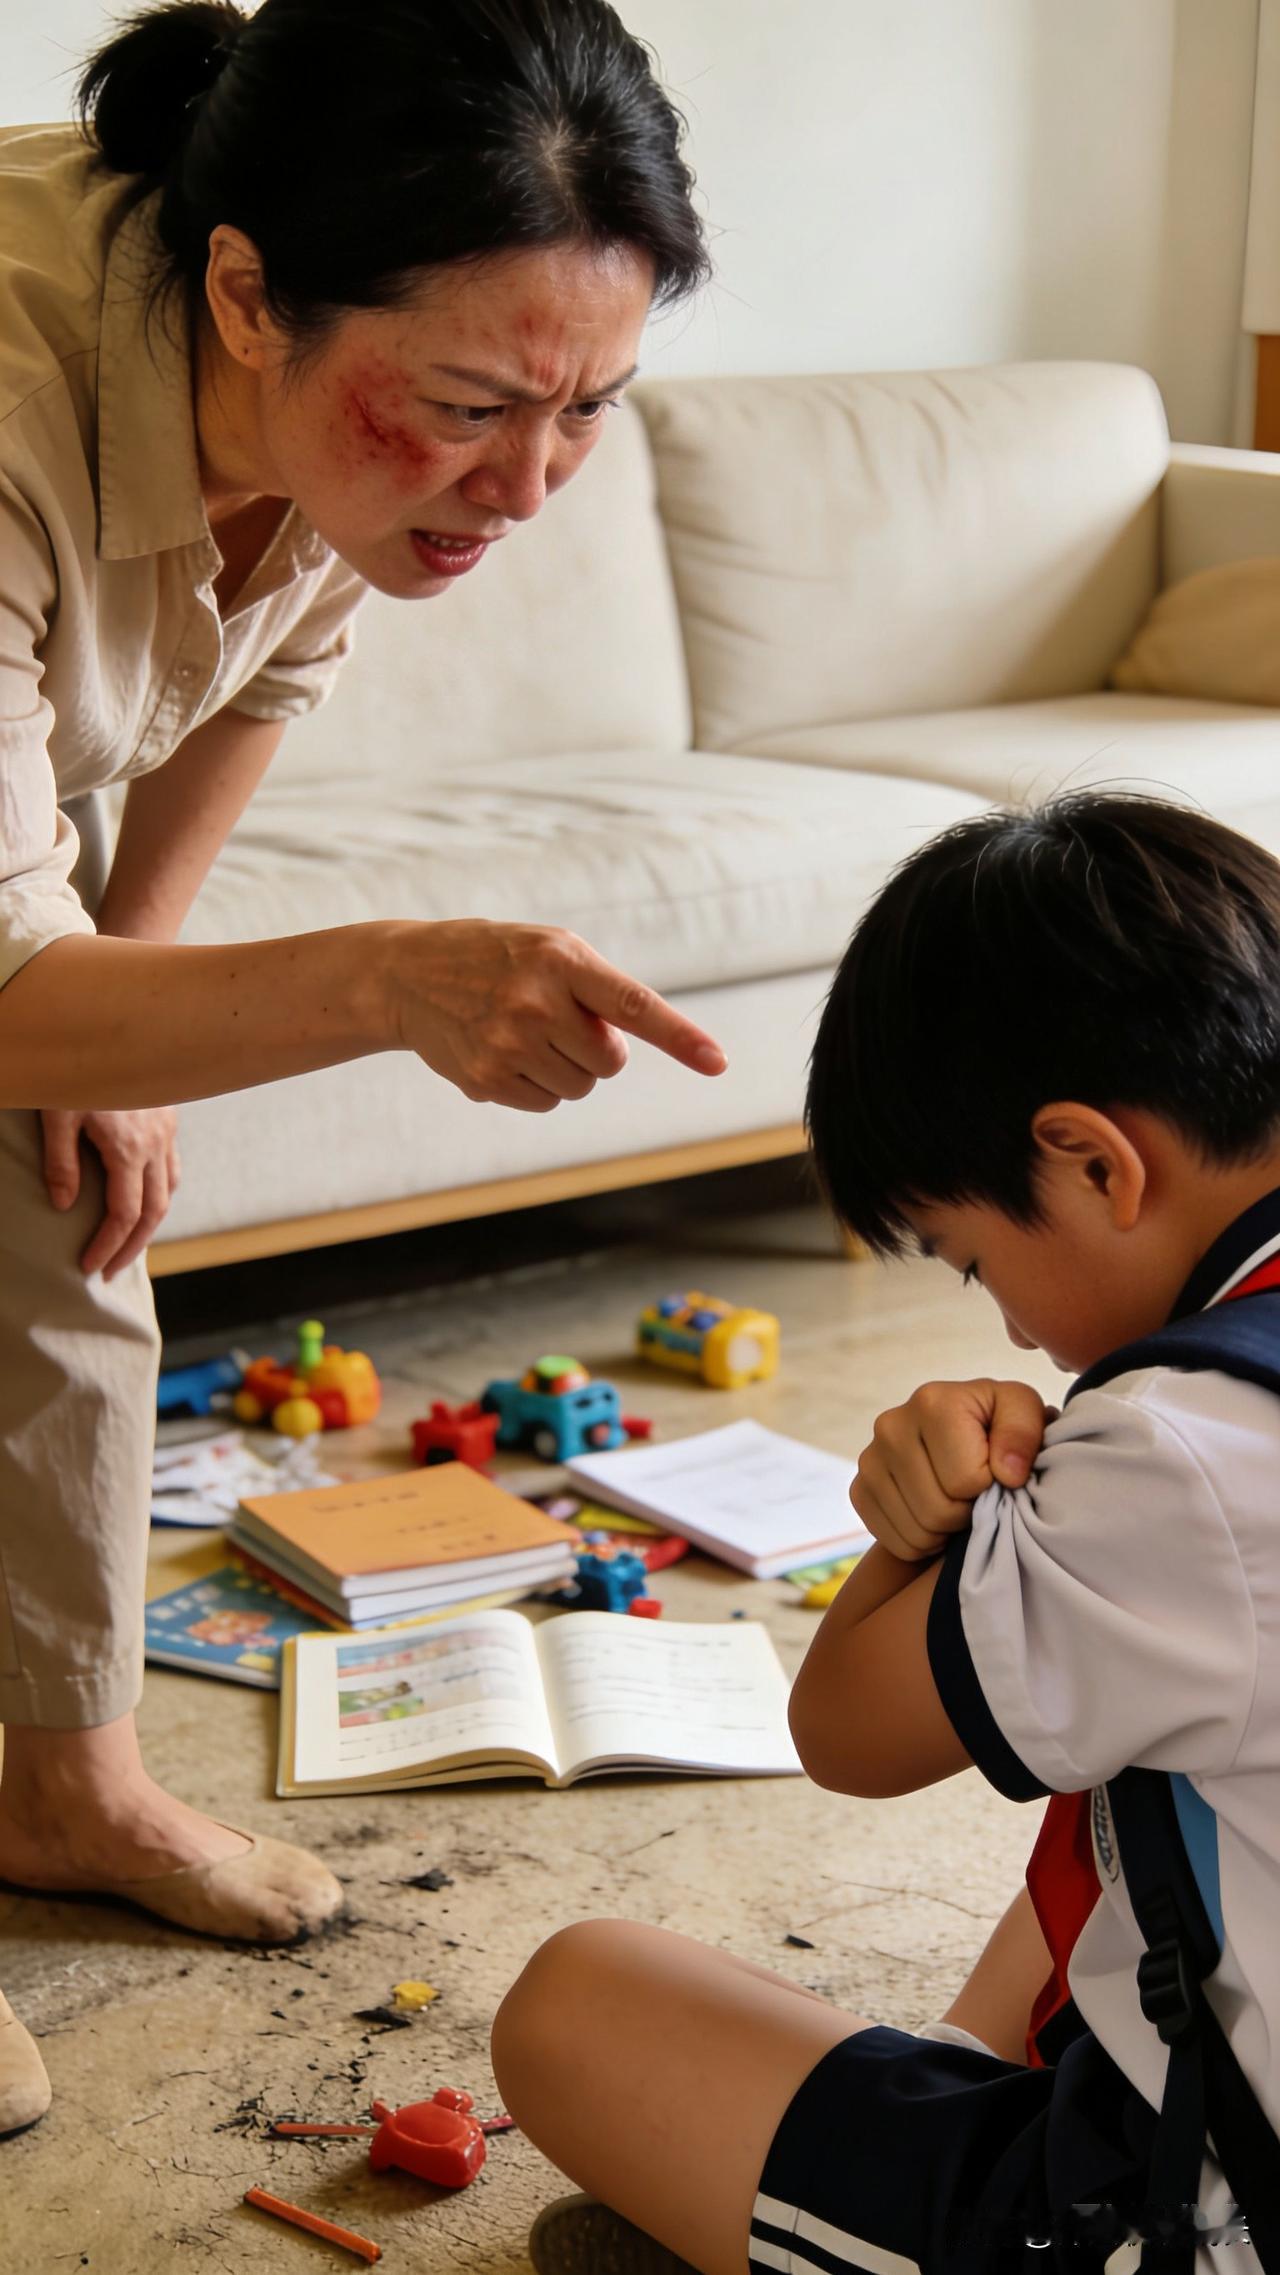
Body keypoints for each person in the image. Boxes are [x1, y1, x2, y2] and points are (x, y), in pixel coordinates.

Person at [0, 0, 724, 2136]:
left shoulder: (332, 416)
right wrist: (394, 975)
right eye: (477, 408)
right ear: (242, 290)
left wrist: (125, 992)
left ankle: (63, 1775)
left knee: (73, 1171)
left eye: (589, 405)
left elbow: (251, 683)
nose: (528, 482)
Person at [492, 791, 1280, 2274]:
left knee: (577, 2008)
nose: (1018, 1334)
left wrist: (929, 1517)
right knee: (1126, 1757)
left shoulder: (1179, 1448)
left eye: (980, 1264)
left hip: (1211, 2220)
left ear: (1095, 1164)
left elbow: (849, 1734)